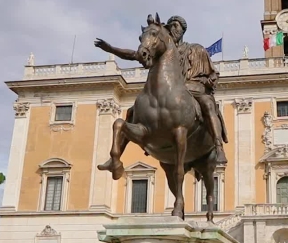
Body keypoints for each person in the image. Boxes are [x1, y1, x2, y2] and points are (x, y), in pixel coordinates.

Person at [95, 15, 228, 167]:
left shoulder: (196, 49)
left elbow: (212, 76)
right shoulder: (161, 50)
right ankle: (115, 158)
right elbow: (135, 54)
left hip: (194, 89)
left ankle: (218, 147)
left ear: (183, 30)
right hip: (170, 91)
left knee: (208, 105)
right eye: (171, 25)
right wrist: (111, 49)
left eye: (176, 26)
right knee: (132, 112)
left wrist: (203, 82)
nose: (173, 28)